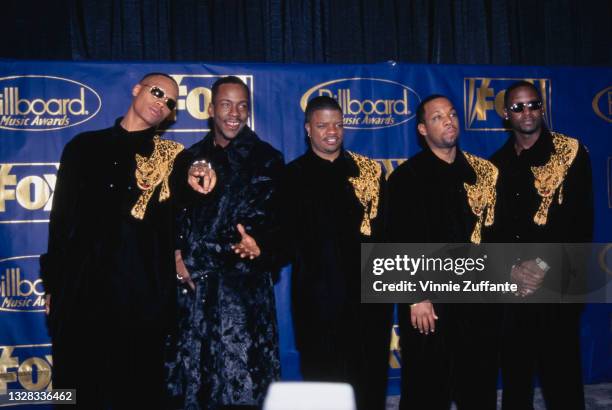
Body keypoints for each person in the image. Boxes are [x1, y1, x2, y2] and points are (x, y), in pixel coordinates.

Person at [41, 72, 202, 408]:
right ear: (136, 89)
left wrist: (202, 166)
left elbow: (198, 171)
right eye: (158, 92)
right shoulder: (83, 147)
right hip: (81, 294)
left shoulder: (172, 156)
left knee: (139, 394)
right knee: (75, 393)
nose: (163, 103)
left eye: (171, 102)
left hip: (141, 299)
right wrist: (53, 285)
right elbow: (60, 221)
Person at [166, 76, 284, 410]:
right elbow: (175, 217)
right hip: (192, 296)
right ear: (210, 109)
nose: (235, 113)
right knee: (194, 381)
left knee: (243, 382)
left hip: (242, 294)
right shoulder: (187, 159)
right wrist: (176, 254)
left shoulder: (267, 159)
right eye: (226, 104)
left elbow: (264, 222)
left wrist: (193, 260)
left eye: (242, 105)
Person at [387, 95, 501, 409]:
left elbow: (495, 236)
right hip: (430, 306)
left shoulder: (483, 173)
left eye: (451, 114)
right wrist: (415, 296)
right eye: (437, 117)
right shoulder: (405, 179)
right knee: (426, 390)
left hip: (478, 302)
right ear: (423, 129)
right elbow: (396, 243)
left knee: (478, 387)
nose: (448, 120)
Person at [279, 96, 393, 410]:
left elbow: (387, 235)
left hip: (369, 304)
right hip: (317, 304)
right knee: (323, 389)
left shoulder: (370, 172)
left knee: (369, 387)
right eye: (323, 125)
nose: (332, 131)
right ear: (308, 129)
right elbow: (281, 239)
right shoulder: (291, 177)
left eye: (338, 124)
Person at [491, 80, 593, 409]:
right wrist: (512, 270)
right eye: (518, 107)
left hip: (558, 283)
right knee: (517, 380)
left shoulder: (570, 151)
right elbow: (495, 230)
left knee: (561, 379)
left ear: (542, 107)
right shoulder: (497, 164)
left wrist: (542, 265)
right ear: (507, 114)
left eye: (533, 104)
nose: (527, 112)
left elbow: (580, 223)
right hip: (514, 287)